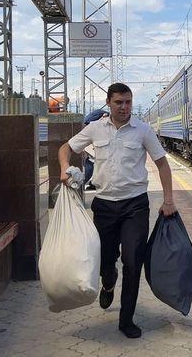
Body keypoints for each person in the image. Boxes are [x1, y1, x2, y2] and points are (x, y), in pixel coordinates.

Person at [58, 83, 176, 338]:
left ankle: (126, 320)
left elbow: (163, 164)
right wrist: (64, 167)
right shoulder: (95, 128)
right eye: (119, 103)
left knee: (133, 262)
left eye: (128, 102)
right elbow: (65, 148)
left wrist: (168, 200)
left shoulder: (143, 130)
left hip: (135, 204)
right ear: (109, 103)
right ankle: (108, 282)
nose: (124, 108)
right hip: (104, 205)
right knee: (105, 260)